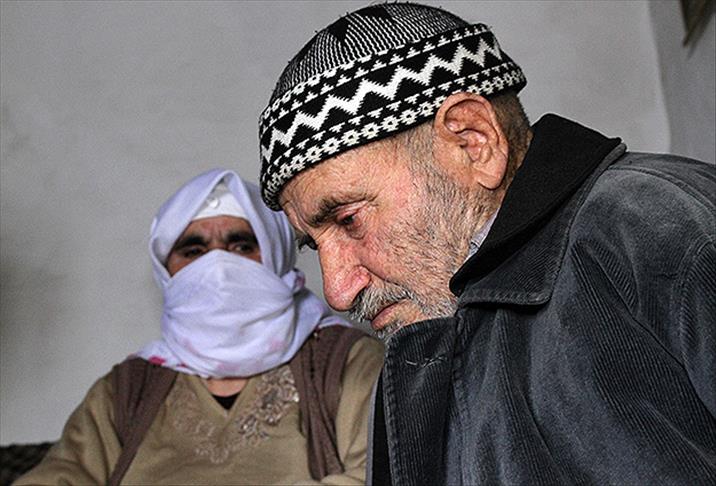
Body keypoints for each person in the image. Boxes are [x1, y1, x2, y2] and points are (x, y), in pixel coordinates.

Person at [258, 3, 716, 485]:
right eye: (314, 245)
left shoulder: (664, 231)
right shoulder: (414, 349)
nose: (337, 290)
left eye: (349, 219)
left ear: (473, 142)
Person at [16, 169, 383, 485]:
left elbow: (379, 474)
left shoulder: (344, 363)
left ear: (276, 256)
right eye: (193, 251)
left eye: (241, 246)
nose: (217, 267)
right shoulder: (127, 390)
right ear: (166, 272)